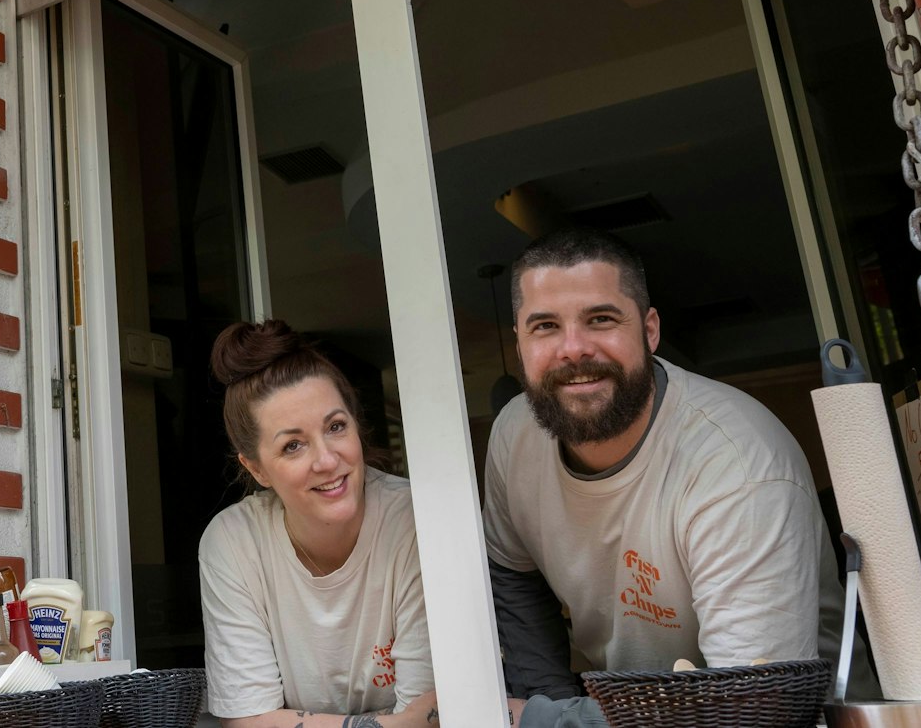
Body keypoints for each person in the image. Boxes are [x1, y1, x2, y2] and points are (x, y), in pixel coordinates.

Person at [484, 228, 839, 726]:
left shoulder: (736, 463)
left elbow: (748, 709)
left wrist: (546, 722)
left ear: (649, 331)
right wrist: (549, 698)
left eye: (600, 319)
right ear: (519, 344)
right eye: (545, 326)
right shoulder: (513, 436)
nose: (574, 348)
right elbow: (513, 574)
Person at [200, 319, 439, 728]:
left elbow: (431, 714)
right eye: (292, 445)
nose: (327, 460)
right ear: (256, 469)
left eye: (335, 427)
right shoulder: (234, 542)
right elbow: (248, 720)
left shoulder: (417, 519)